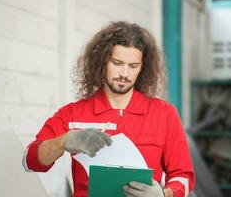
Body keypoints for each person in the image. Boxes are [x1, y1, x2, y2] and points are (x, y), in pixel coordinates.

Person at [22, 21, 195, 197]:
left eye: (133, 66)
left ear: (142, 67)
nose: (124, 74)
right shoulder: (73, 114)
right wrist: (63, 142)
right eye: (117, 63)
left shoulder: (165, 114)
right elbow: (29, 161)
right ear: (102, 61)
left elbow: (184, 176)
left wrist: (164, 194)